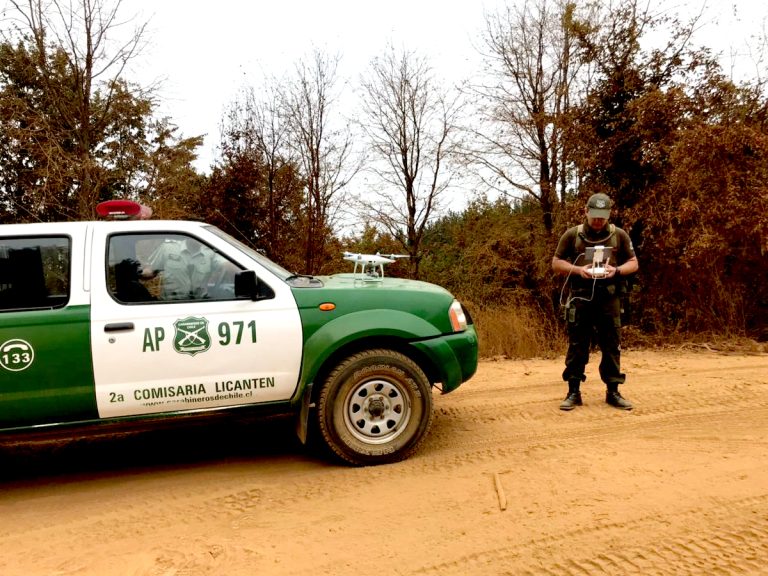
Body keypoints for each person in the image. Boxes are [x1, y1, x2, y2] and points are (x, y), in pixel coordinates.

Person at [551, 193, 639, 411]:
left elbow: (634, 263)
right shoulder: (573, 235)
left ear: (608, 214)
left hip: (609, 298)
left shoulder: (618, 235)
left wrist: (616, 271)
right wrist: (579, 270)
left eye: (603, 217)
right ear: (586, 212)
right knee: (577, 345)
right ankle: (573, 391)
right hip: (581, 297)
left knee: (611, 345)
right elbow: (556, 263)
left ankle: (613, 391)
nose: (598, 221)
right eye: (595, 216)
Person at [146, 236, 222, 301]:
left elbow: (226, 266)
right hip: (170, 303)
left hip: (199, 303)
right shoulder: (168, 248)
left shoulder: (210, 253)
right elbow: (149, 271)